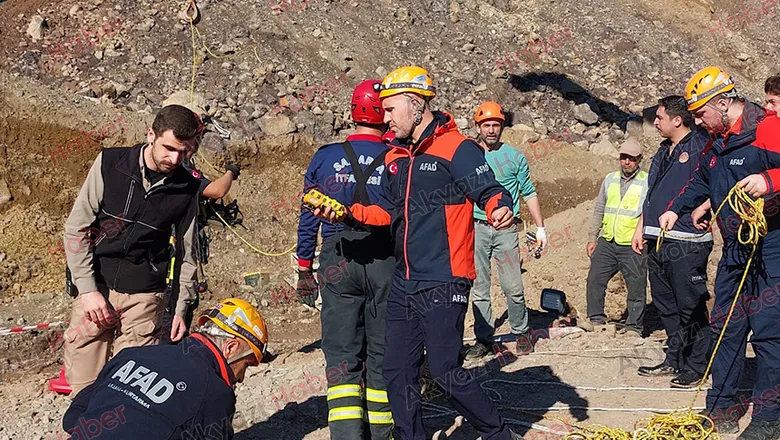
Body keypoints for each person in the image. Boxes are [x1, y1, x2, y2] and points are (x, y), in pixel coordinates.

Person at [311, 65, 524, 440]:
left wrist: (498, 206)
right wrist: (347, 212)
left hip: (444, 278)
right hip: (404, 282)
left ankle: (497, 432)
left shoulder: (457, 148)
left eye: (391, 110)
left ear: (415, 104)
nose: (385, 118)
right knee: (396, 373)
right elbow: (390, 213)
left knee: (444, 371)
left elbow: (488, 189)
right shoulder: (398, 157)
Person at [659, 66, 780, 439]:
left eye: (701, 113)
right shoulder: (716, 141)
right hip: (734, 250)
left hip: (771, 247)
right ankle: (720, 407)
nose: (697, 121)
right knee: (725, 327)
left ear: (724, 103)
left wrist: (769, 180)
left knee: (768, 332)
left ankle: (768, 417)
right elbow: (702, 179)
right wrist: (678, 207)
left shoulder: (768, 127)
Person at [61, 104, 203, 396]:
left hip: (144, 296)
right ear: (151, 134)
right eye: (169, 148)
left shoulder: (187, 188)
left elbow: (188, 255)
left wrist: (180, 309)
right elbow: (77, 229)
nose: (176, 159)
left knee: (130, 393)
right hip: (96, 290)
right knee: (83, 391)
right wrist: (87, 291)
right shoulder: (109, 163)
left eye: (185, 152)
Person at [295, 79, 395, 440]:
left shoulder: (325, 157)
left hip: (338, 259)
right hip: (386, 258)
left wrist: (304, 268)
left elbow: (309, 216)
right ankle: (385, 433)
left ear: (352, 112)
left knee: (340, 353)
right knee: (383, 350)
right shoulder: (398, 157)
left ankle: (348, 434)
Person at [62, 298, 267, 440]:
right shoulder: (214, 393)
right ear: (231, 347)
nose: (240, 378)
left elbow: (72, 417)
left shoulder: (133, 355)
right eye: (246, 365)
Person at [632, 96, 713, 388]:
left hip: (687, 240)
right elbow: (651, 193)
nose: (655, 122)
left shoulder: (701, 146)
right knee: (666, 304)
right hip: (658, 238)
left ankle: (696, 365)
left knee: (690, 304)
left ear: (677, 120)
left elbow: (713, 182)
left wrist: (707, 207)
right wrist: (641, 227)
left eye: (660, 117)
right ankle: (674, 358)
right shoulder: (664, 151)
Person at [465, 101, 547, 360]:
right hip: (476, 228)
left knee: (513, 286)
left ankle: (521, 333)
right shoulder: (467, 156)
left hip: (506, 230)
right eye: (486, 125)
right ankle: (484, 339)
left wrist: (541, 228)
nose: (491, 130)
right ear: (478, 127)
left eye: (496, 125)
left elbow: (529, 192)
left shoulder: (514, 156)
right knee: (479, 288)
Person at [159, 135, 241, 346]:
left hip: (173, 256)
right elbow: (217, 190)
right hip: (172, 261)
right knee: (171, 321)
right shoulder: (184, 172)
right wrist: (231, 173)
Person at [582, 138, 648, 336]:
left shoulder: (647, 181)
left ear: (639, 160)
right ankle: (596, 318)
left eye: (631, 159)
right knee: (595, 279)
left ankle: (634, 326)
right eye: (623, 157)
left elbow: (649, 211)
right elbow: (599, 209)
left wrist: (642, 234)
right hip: (608, 241)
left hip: (632, 243)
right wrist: (593, 237)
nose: (627, 162)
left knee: (636, 285)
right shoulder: (609, 179)